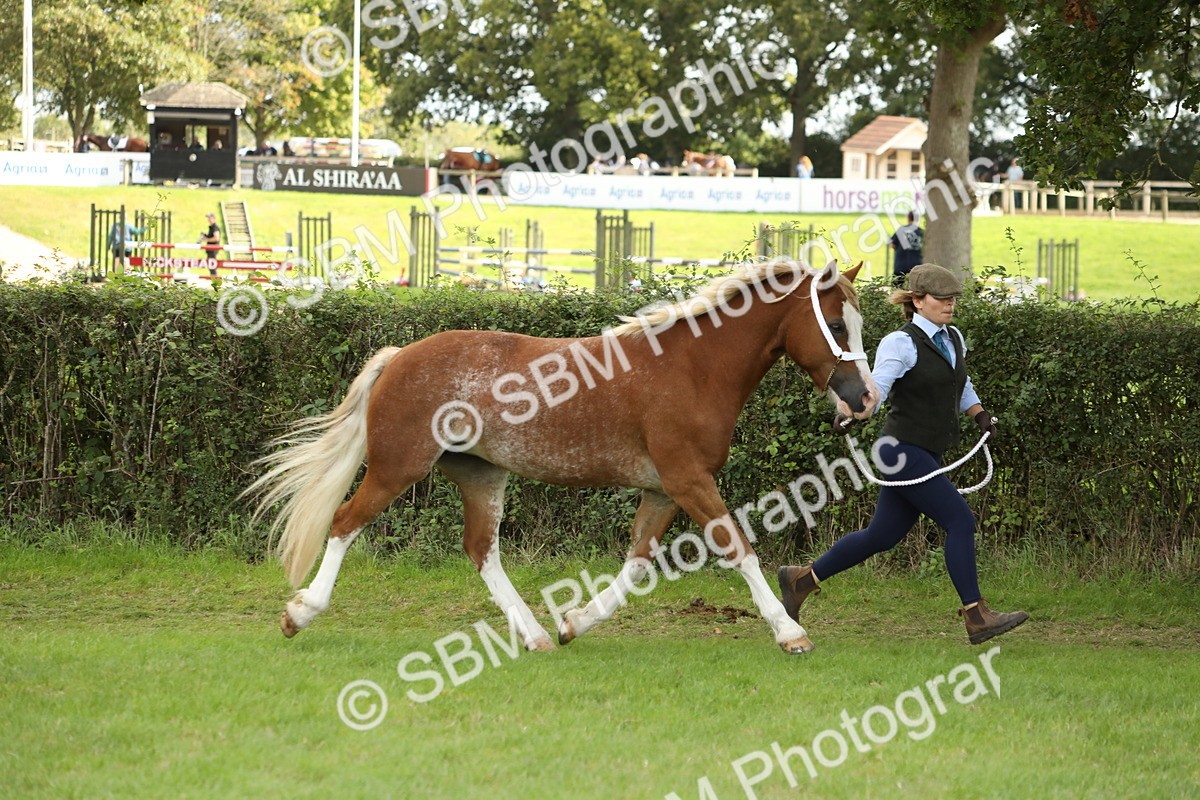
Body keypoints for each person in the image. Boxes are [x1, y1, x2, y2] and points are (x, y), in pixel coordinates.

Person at [777, 264, 1028, 646]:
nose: (949, 304)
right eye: (941, 298)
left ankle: (800, 580)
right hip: (901, 451)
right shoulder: (901, 342)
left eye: (952, 298)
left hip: (925, 450)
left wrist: (980, 414)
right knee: (960, 521)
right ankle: (976, 616)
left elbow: (960, 384)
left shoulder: (953, 337)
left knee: (882, 535)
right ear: (918, 301)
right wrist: (851, 412)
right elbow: (877, 388)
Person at [889, 211, 924, 286]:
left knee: (896, 289)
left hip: (900, 267)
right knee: (915, 289)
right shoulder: (921, 232)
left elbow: (892, 244)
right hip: (916, 268)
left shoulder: (902, 230)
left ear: (908, 218)